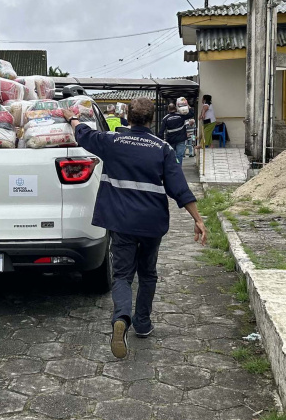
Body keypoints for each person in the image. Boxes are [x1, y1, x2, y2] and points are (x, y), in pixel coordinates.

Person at [64, 98, 208, 359]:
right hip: (152, 223)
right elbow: (179, 187)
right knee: (148, 273)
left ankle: (121, 317)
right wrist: (197, 219)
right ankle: (143, 323)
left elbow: (85, 134)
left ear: (127, 117)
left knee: (122, 275)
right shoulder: (162, 148)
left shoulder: (112, 142)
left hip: (122, 222)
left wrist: (71, 118)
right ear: (153, 120)